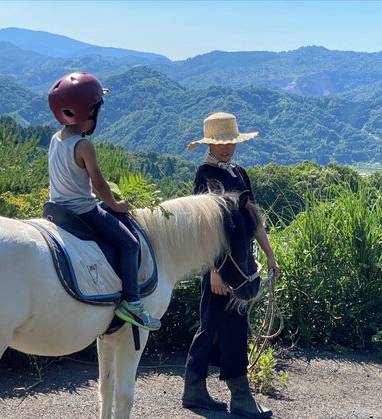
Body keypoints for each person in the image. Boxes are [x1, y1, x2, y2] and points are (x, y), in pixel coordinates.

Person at [182, 112, 280, 418]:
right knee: (228, 327)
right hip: (220, 267)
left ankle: (194, 390)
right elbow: (203, 227)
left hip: (243, 265)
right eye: (219, 142)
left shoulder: (239, 173)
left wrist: (270, 254)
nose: (225, 148)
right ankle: (240, 396)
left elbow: (253, 219)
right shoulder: (204, 175)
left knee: (211, 325)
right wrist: (213, 270)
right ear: (210, 143)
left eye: (229, 142)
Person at [47, 72, 161, 331]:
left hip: (56, 209)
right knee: (129, 244)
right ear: (88, 112)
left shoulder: (56, 139)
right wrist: (116, 205)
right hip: (82, 210)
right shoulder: (83, 146)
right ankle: (132, 302)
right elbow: (99, 184)